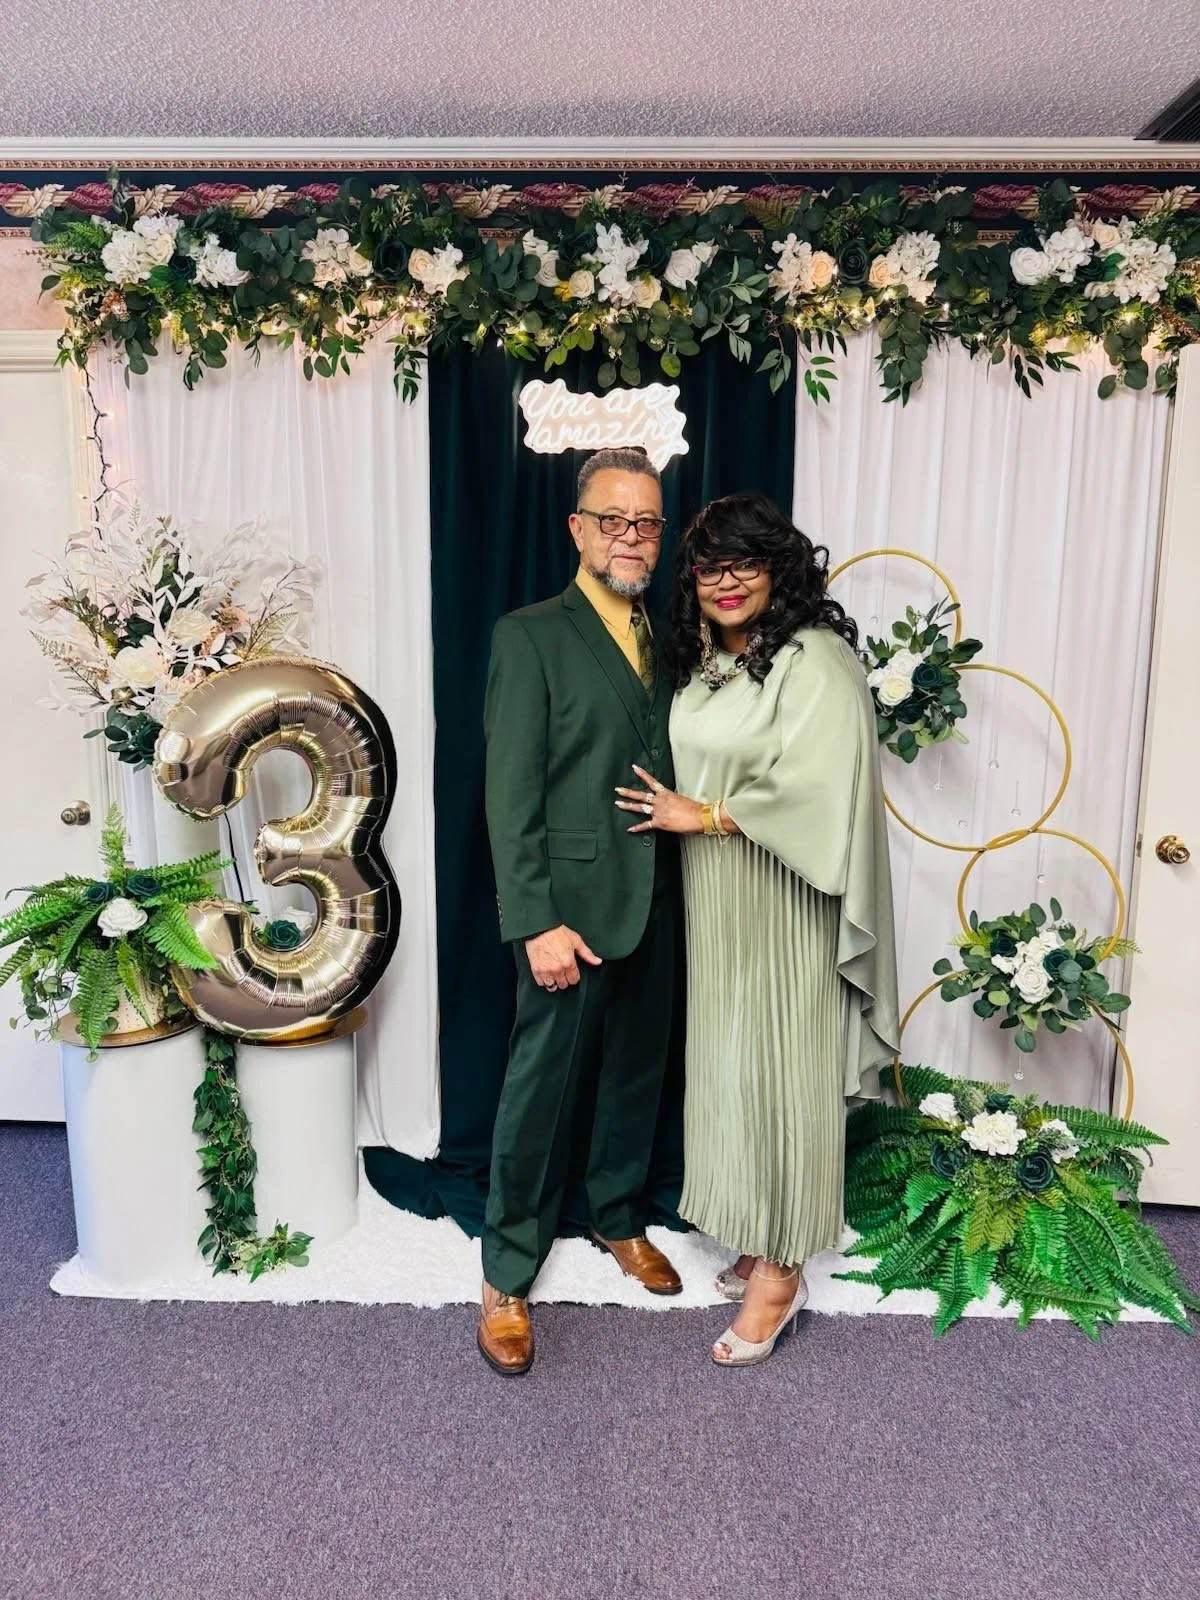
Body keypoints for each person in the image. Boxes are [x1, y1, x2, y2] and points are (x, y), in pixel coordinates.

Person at [616, 491, 900, 1368]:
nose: (727, 582)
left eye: (746, 563)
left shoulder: (815, 658)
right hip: (721, 898)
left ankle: (783, 1271)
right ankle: (760, 1233)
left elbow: (819, 786)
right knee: (738, 1068)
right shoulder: (709, 661)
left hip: (788, 897)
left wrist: (701, 814)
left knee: (787, 1072)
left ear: (780, 569)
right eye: (710, 567)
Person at [478, 446, 683, 1376]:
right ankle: (505, 1272)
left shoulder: (671, 637)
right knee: (541, 1090)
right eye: (613, 520)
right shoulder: (530, 635)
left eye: (646, 522)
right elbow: (509, 791)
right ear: (577, 529)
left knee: (637, 1072)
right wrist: (534, 920)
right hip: (568, 907)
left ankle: (618, 1216)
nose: (630, 536)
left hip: (662, 896)